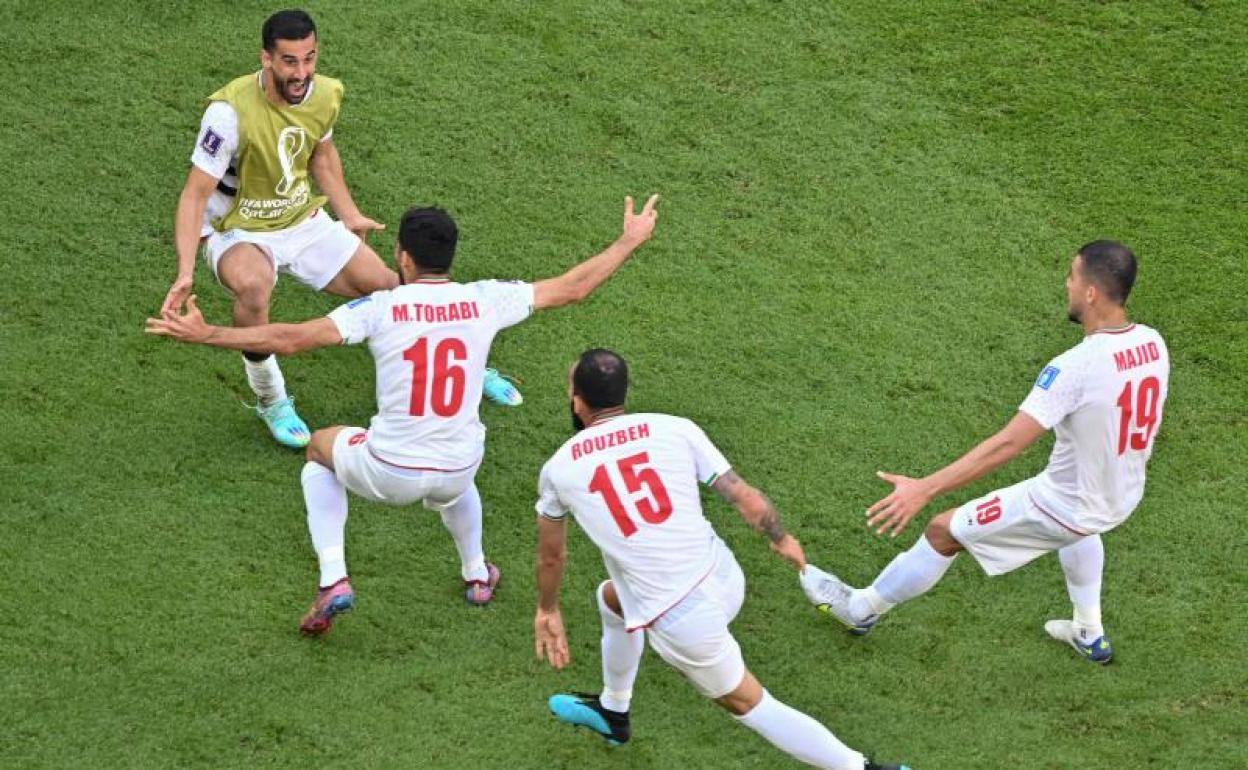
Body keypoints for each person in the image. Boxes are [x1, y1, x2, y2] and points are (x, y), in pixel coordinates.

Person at [147, 195, 660, 636]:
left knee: (319, 451)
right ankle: (477, 575)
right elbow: (573, 287)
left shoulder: (381, 308)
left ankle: (333, 578)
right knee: (455, 479)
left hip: (388, 470)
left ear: (403, 258)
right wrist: (629, 241)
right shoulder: (485, 300)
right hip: (461, 466)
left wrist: (208, 333)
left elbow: (290, 338)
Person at [533, 350, 909, 770]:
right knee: (612, 599)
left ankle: (861, 768)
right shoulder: (674, 428)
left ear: (576, 399)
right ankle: (613, 711)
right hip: (724, 576)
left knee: (752, 705)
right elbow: (744, 497)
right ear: (624, 392)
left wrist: (547, 608)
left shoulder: (559, 468)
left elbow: (552, 555)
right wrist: (782, 539)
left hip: (682, 619)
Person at [161, 10, 519, 450]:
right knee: (254, 290)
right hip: (239, 229)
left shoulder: (324, 93)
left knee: (398, 286)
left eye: (309, 59)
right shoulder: (228, 113)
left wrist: (348, 213)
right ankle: (271, 399)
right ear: (267, 59)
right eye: (290, 62)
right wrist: (185, 271)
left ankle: (468, 362)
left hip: (301, 220)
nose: (302, 73)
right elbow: (194, 194)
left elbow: (322, 157)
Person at [802, 241, 1169, 665]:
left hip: (1064, 505)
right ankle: (1088, 629)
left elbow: (1009, 443)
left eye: (1072, 276)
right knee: (1084, 528)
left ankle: (860, 611)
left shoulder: (1076, 367)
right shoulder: (1153, 344)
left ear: (1091, 293)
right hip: (1121, 493)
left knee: (943, 531)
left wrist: (925, 487)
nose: (1066, 283)